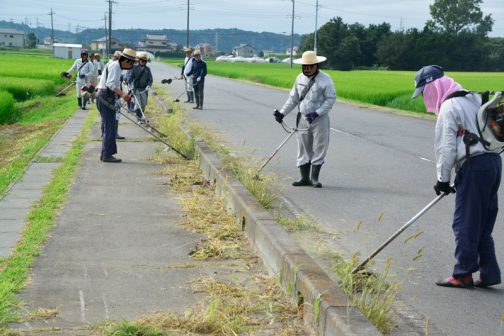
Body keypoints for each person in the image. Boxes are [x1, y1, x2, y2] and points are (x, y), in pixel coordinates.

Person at [412, 65, 501, 288]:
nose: (425, 97)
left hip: (474, 166)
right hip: (493, 162)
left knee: (465, 222)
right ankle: (489, 273)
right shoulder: (470, 98)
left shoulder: (449, 107)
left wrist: (442, 180)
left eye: (424, 91)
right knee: (481, 224)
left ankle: (463, 274)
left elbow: (446, 147)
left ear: (432, 86)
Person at [274, 50, 336, 188]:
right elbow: (293, 99)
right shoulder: (299, 78)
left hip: (319, 119)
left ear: (316, 65)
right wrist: (282, 113)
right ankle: (304, 178)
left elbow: (330, 99)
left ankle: (314, 179)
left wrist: (317, 113)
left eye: (309, 66)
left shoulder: (325, 80)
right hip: (303, 118)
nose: (306, 69)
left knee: (320, 146)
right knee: (303, 147)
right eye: (304, 66)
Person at [95, 48, 136, 163]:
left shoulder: (116, 66)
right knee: (110, 127)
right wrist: (123, 94)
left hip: (107, 96)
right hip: (105, 96)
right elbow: (110, 84)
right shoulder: (116, 66)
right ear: (126, 60)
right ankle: (107, 155)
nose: (131, 65)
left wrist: (119, 96)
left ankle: (105, 154)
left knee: (109, 126)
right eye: (131, 62)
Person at [127, 52, 153, 124]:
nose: (143, 62)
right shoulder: (134, 68)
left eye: (144, 61)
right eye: (142, 60)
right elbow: (130, 78)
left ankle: (141, 117)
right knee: (138, 104)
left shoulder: (148, 69)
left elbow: (150, 80)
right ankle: (138, 119)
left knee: (144, 104)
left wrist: (149, 85)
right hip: (136, 89)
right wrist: (130, 86)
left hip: (144, 90)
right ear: (139, 60)